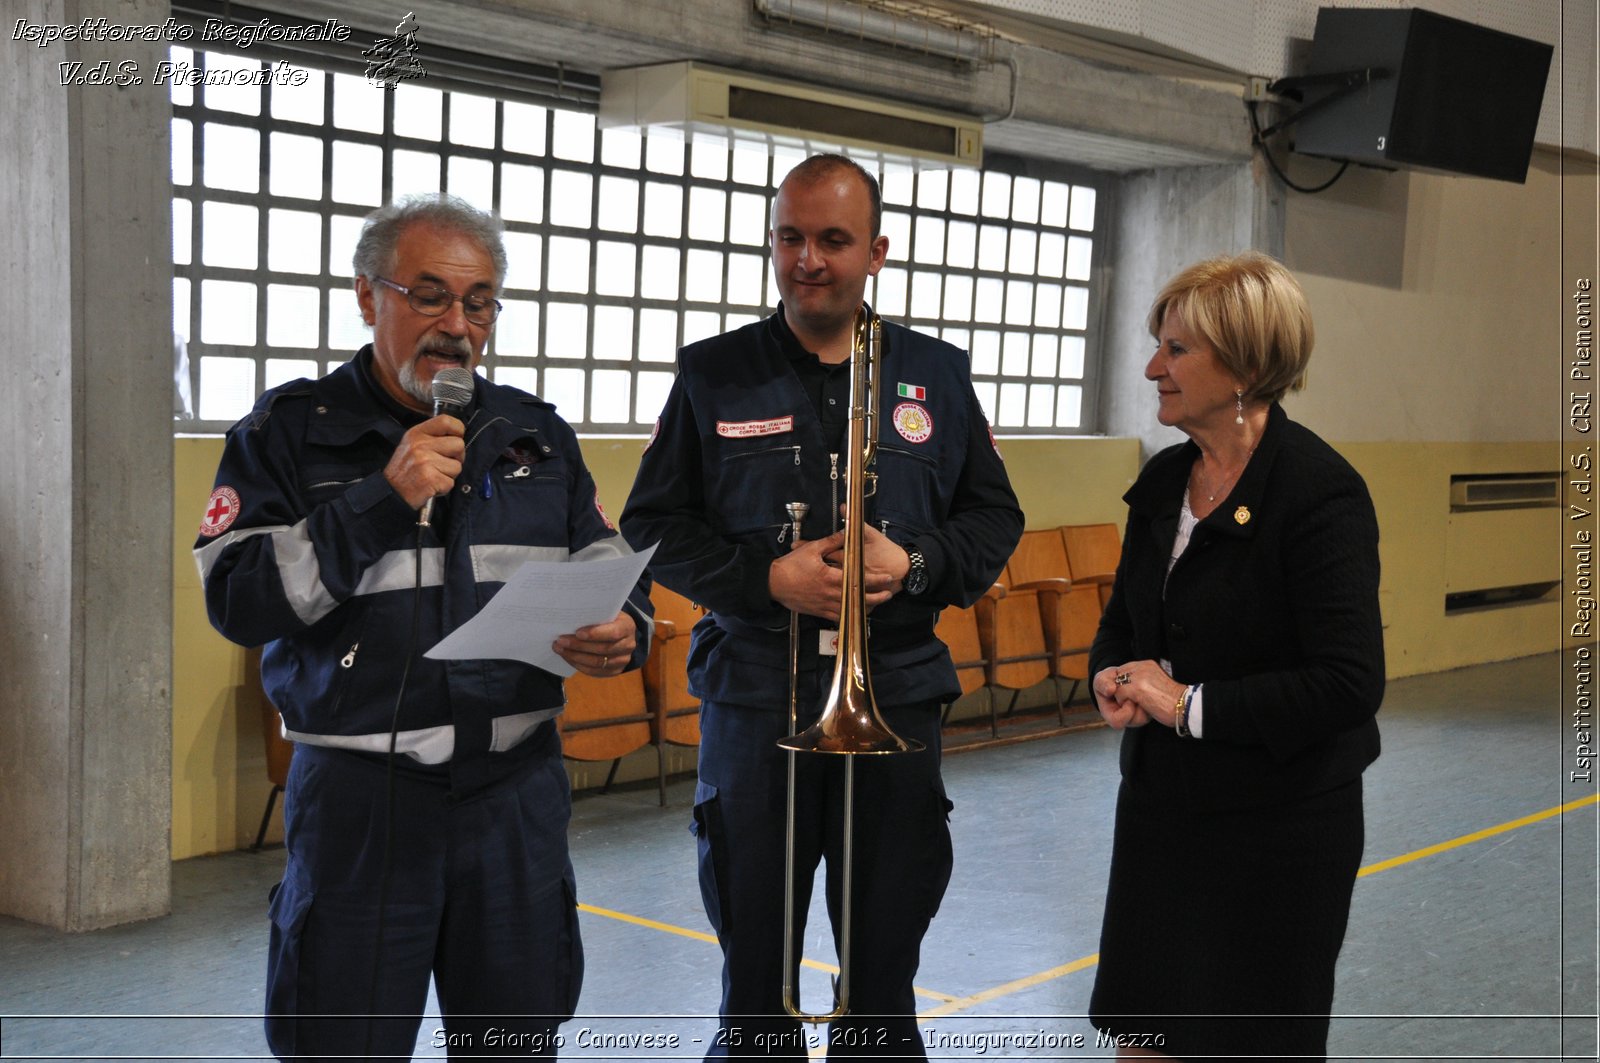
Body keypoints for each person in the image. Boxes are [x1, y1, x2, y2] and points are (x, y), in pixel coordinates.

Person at [193, 194, 651, 1060]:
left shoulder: (535, 435)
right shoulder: (287, 433)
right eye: (430, 295)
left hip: (512, 801)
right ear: (369, 297)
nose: (457, 326)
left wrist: (621, 625)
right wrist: (381, 498)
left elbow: (605, 558)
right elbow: (237, 595)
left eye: (478, 303)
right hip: (363, 807)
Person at [620, 154, 1023, 1059]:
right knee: (754, 972)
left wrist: (913, 561)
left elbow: (995, 517)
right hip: (756, 692)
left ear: (875, 251)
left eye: (833, 240)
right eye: (791, 237)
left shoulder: (935, 373)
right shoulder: (713, 374)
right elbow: (652, 524)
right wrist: (764, 579)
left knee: (883, 970)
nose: (809, 259)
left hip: (898, 690)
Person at [1086, 252, 1384, 1061]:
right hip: (1160, 820)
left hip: (1278, 833)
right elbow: (1123, 624)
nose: (1153, 367)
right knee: (1144, 1042)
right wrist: (1109, 676)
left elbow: (1349, 682)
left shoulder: (1321, 493)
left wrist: (1186, 704)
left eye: (1176, 349)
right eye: (1159, 346)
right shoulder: (1164, 481)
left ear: (1247, 365)